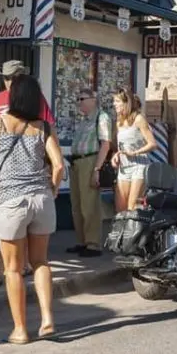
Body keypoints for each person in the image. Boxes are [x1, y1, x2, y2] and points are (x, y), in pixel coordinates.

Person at [0, 74, 66, 345]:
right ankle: (47, 319)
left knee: (12, 269)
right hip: (41, 200)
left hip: (12, 200)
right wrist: (54, 188)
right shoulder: (43, 127)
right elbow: (58, 165)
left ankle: (20, 330)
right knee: (41, 262)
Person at [0, 60, 55, 284]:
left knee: (11, 227)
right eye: (5, 77)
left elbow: (47, 133)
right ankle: (17, 266)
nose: (8, 82)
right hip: (12, 171)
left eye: (11, 77)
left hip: (23, 175)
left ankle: (4, 267)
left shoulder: (34, 100)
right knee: (18, 230)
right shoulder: (2, 99)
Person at [66, 87, 113, 257]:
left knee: (90, 205)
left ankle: (93, 244)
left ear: (93, 99)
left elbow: (106, 144)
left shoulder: (102, 117)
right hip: (77, 162)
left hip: (90, 161)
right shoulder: (85, 120)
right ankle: (82, 241)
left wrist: (96, 169)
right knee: (77, 205)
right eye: (77, 99)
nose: (79, 102)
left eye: (82, 99)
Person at [111, 88, 157, 213]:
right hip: (124, 168)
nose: (114, 104)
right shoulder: (119, 122)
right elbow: (121, 146)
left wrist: (135, 152)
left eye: (117, 101)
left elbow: (153, 144)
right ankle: (123, 232)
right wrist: (116, 156)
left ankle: (136, 231)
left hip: (139, 165)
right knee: (120, 209)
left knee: (132, 207)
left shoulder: (138, 119)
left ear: (126, 102)